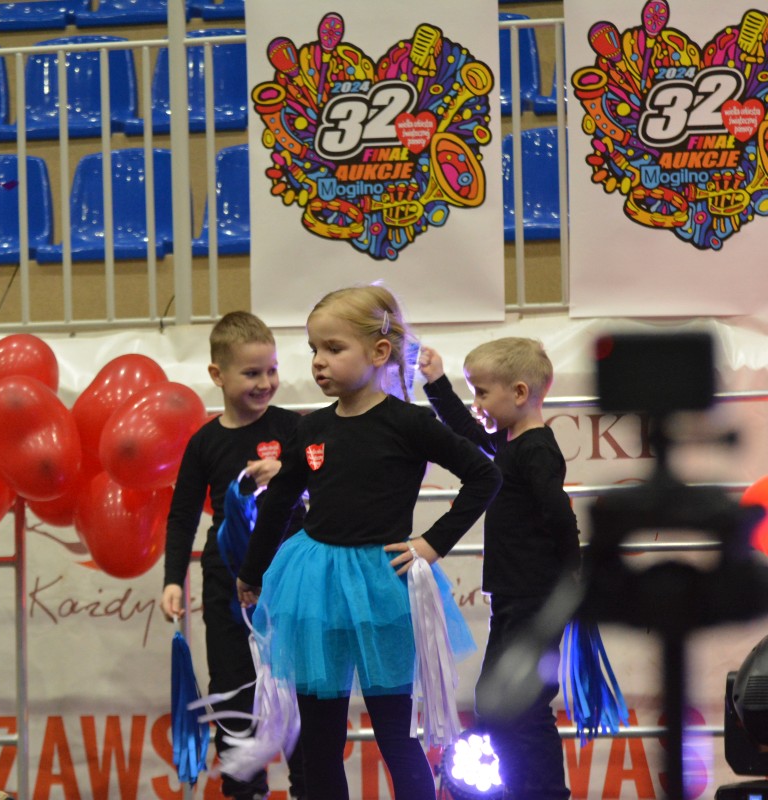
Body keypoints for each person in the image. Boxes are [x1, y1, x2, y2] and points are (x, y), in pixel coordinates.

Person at [236, 285, 501, 800]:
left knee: (395, 734)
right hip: (316, 585)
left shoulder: (409, 422)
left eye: (333, 348)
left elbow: (484, 475)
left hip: (382, 585)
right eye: (314, 349)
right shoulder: (311, 429)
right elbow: (280, 501)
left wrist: (433, 543)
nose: (319, 361)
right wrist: (251, 571)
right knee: (320, 741)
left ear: (379, 352)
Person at [419, 338, 580, 800]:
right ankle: (517, 788)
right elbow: (465, 433)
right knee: (497, 705)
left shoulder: (537, 450)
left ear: (520, 392)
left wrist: (573, 573)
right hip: (514, 597)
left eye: (483, 393)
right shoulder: (509, 444)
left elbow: (559, 512)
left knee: (525, 706)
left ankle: (547, 793)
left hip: (535, 598)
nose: (477, 403)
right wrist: (437, 383)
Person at [160, 310, 307, 800]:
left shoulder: (294, 430)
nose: (266, 382)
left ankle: (310, 786)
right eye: (251, 373)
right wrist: (173, 578)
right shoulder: (205, 442)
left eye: (272, 370)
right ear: (217, 375)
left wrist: (288, 475)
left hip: (289, 577)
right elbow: (183, 515)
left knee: (301, 692)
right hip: (229, 585)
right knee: (234, 692)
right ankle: (245, 791)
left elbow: (330, 491)